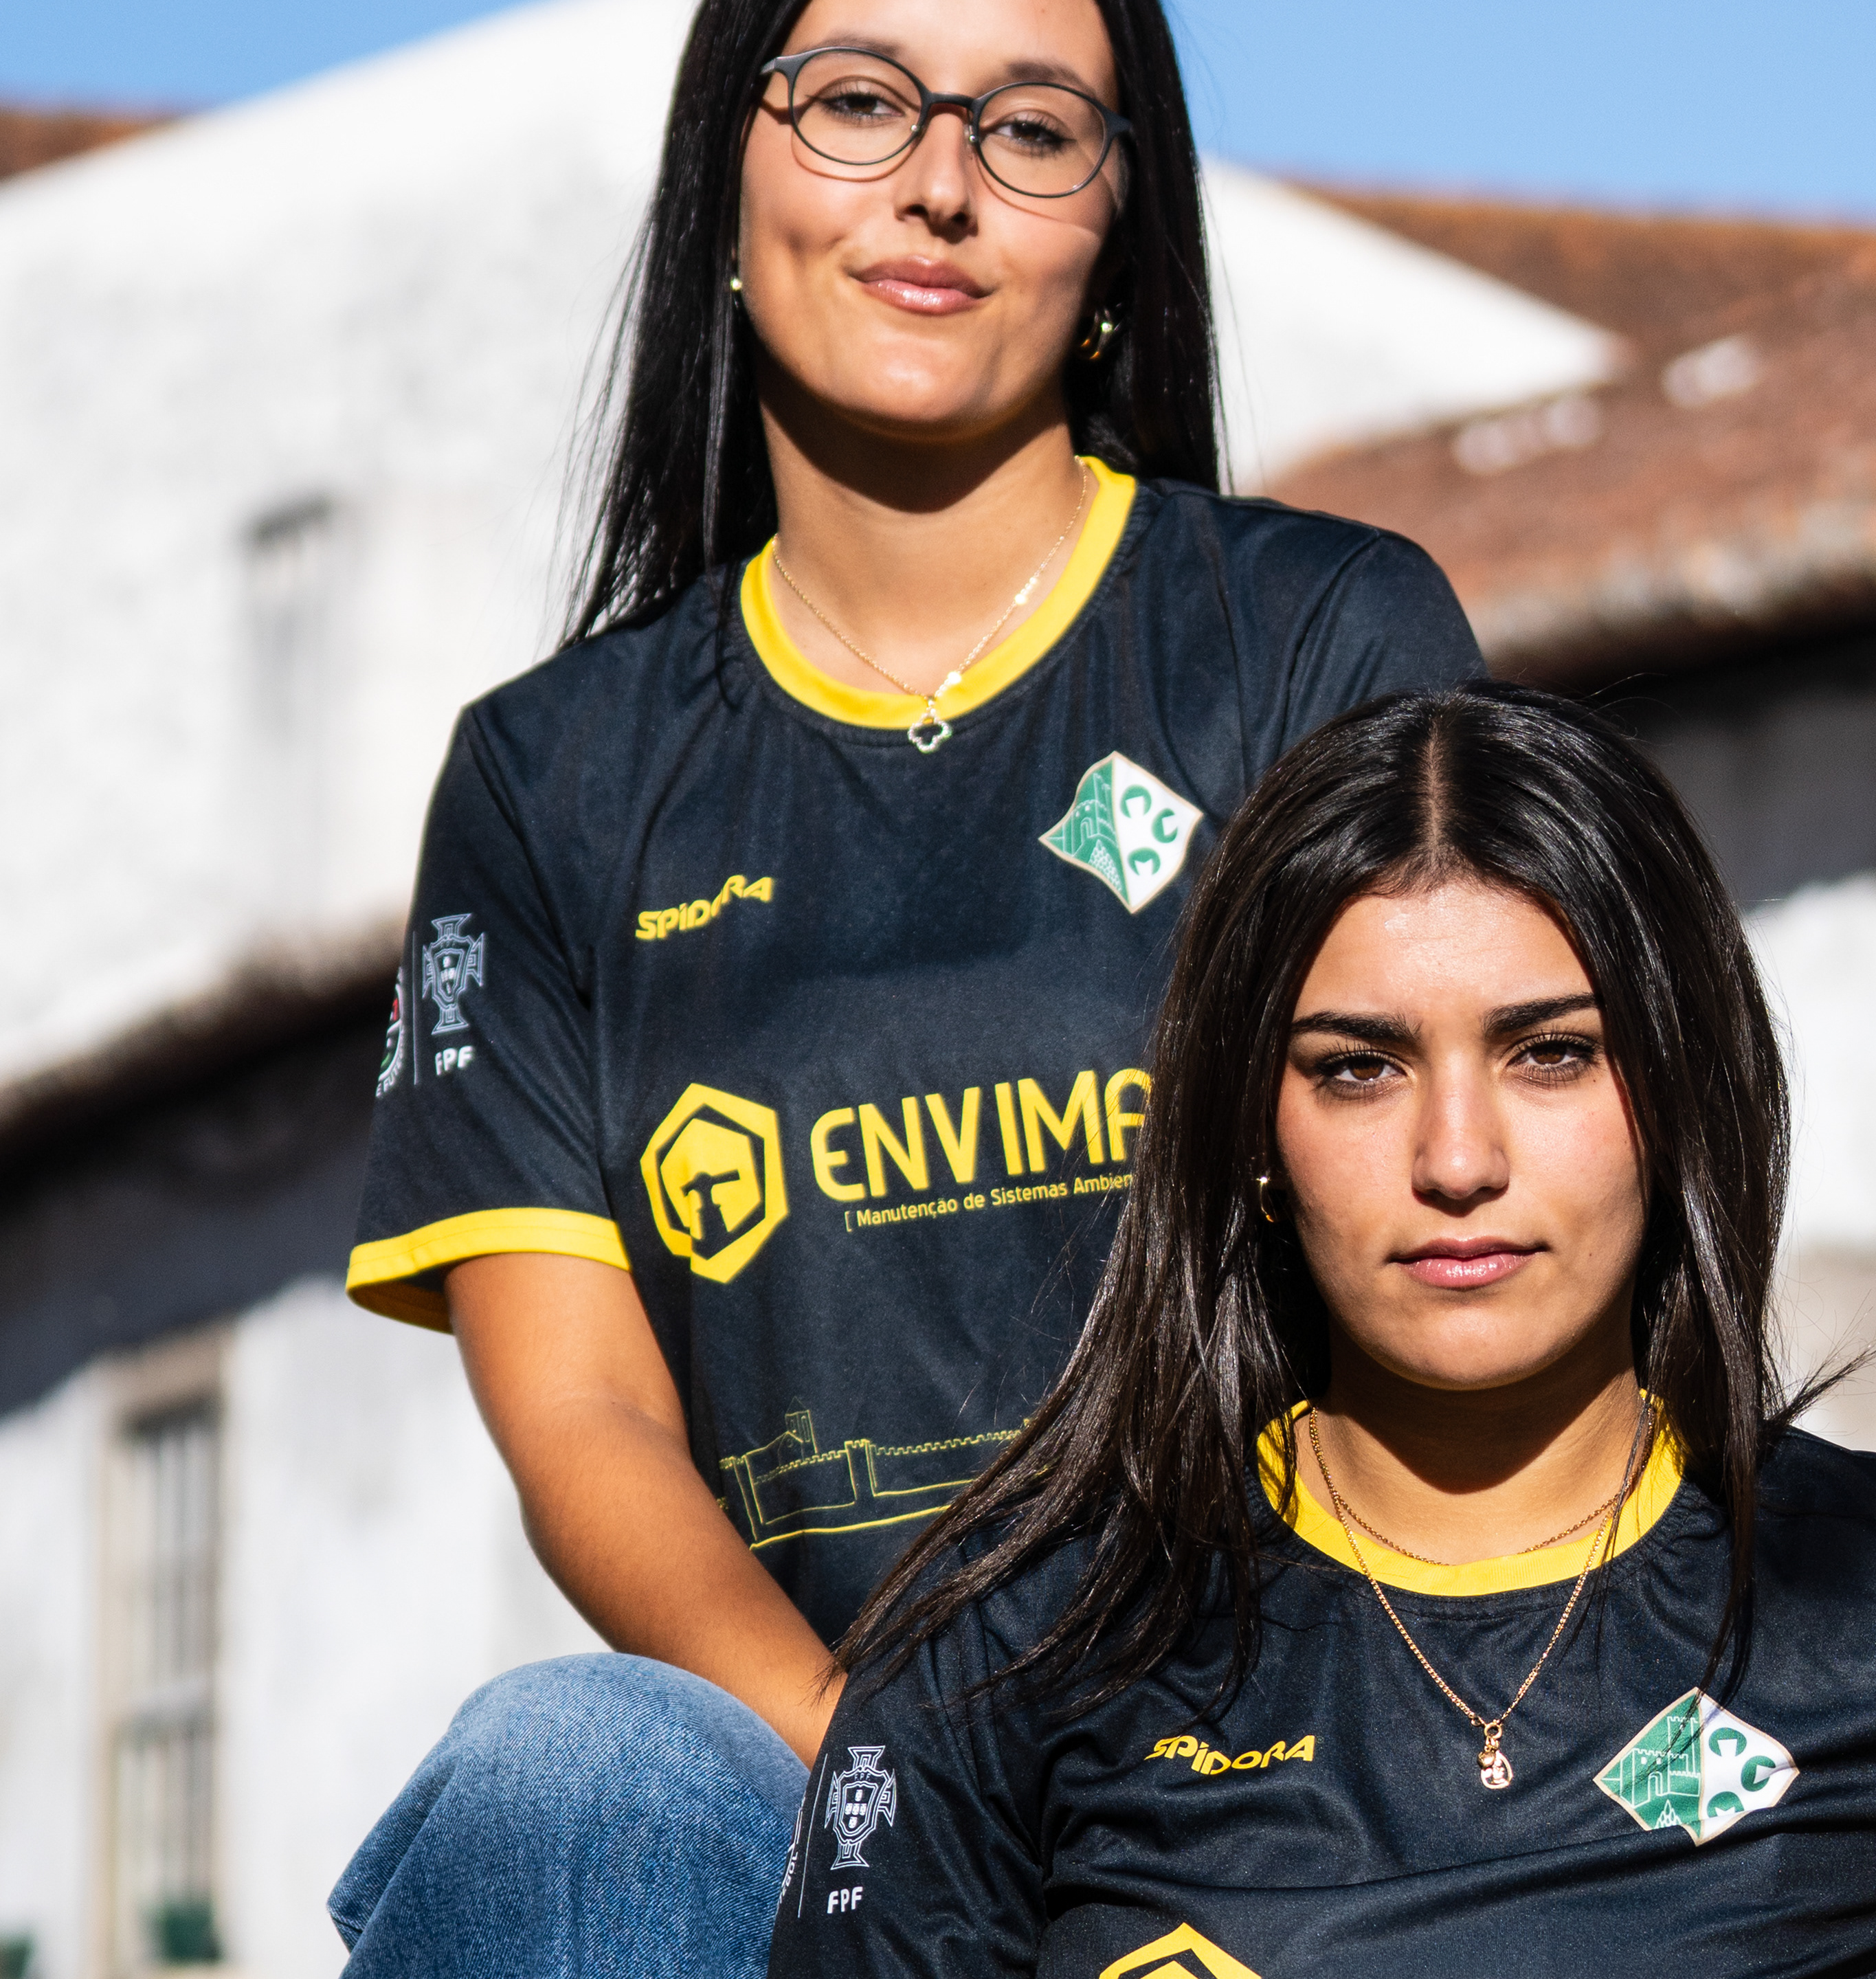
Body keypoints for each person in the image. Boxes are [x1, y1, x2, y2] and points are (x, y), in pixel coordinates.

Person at [329, 0, 1477, 1966]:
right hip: (816, 1803)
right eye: (858, 101)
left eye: (1031, 129)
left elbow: (1464, 1240)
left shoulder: (1319, 645)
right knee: (562, 1778)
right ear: (727, 174)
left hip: (1287, 1773)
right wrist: (889, 1790)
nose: (940, 183)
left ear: (1118, 226)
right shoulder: (551, 781)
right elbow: (587, 1416)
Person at [769, 682, 1876, 1979]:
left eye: (1553, 1054)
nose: (1458, 1159)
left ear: (1679, 1092)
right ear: (1254, 1133)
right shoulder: (1017, 1644)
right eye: (1358, 1068)